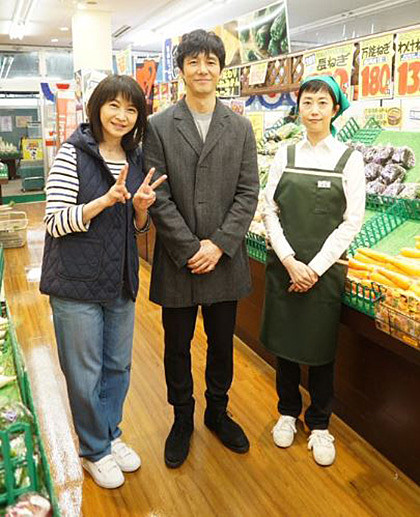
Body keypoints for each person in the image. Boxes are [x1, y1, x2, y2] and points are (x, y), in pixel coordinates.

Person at [40, 75, 166, 489]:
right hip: (74, 283)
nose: (122, 116)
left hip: (119, 280)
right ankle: (94, 450)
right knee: (84, 371)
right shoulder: (72, 154)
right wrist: (103, 201)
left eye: (131, 109)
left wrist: (141, 210)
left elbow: (136, 228)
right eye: (114, 105)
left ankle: (110, 436)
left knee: (117, 366)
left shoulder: (135, 157)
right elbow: (54, 222)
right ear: (97, 108)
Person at [143, 29, 259, 468]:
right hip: (179, 259)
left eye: (211, 61)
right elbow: (157, 194)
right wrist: (191, 247)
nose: (203, 69)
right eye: (194, 61)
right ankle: (181, 418)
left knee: (221, 343)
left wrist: (220, 244)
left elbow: (248, 192)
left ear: (221, 69)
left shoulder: (240, 127)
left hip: (224, 260)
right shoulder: (158, 126)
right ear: (182, 70)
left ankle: (217, 411)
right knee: (176, 344)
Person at [261, 75, 365, 466]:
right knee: (286, 347)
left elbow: (352, 222)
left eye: (322, 103)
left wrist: (314, 268)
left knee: (321, 351)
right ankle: (287, 412)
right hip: (285, 266)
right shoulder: (285, 154)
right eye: (307, 102)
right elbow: (269, 210)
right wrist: (290, 261)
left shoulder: (349, 159)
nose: (314, 110)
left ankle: (320, 424)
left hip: (325, 271)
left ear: (335, 109)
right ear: (299, 108)